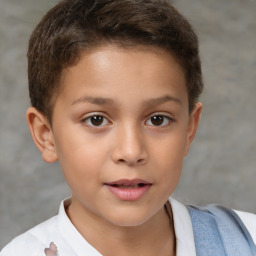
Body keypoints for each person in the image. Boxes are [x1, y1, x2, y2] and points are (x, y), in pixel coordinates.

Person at [1, 0, 256, 255]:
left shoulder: (248, 240)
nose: (131, 151)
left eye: (158, 119)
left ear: (189, 129)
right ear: (46, 135)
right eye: (96, 120)